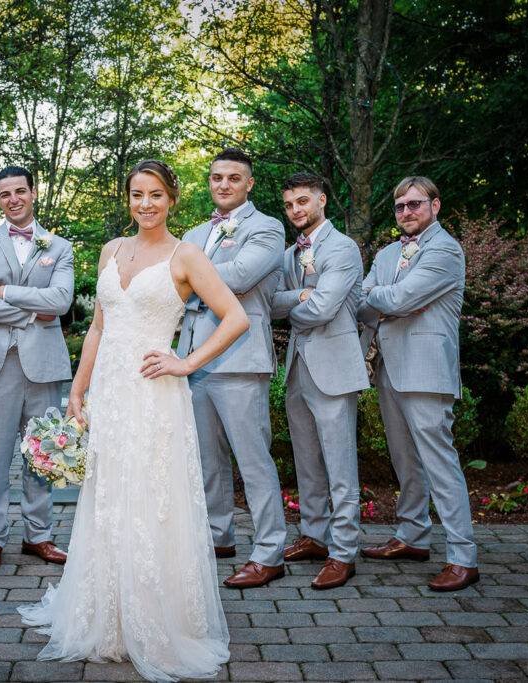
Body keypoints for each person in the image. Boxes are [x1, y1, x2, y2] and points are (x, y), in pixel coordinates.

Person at [19, 159, 245, 683]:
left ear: (172, 198)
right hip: (110, 393)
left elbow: (236, 316)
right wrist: (78, 388)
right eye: (136, 195)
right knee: (108, 494)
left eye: (156, 195)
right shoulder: (111, 250)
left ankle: (156, 618)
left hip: (154, 394)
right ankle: (106, 612)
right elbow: (99, 325)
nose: (145, 204)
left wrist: (186, 362)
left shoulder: (186, 254)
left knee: (152, 495)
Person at [357, 176, 479, 591]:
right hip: (388, 367)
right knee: (403, 457)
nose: (407, 212)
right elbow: (364, 300)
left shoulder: (445, 250)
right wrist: (391, 297)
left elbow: (396, 300)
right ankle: (412, 536)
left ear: (435, 206)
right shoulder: (389, 252)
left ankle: (464, 557)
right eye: (400, 207)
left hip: (426, 369)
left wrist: (388, 297)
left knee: (439, 463)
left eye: (415, 204)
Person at [176, 148, 287, 588]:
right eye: (217, 177)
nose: (224, 185)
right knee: (207, 460)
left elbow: (239, 276)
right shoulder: (193, 233)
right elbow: (175, 291)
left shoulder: (268, 227)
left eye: (234, 178)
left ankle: (269, 552)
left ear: (249, 183)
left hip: (241, 359)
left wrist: (188, 280)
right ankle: (218, 537)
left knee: (254, 461)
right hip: (192, 361)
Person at [0, 166, 74, 573]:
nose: (13, 199)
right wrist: (33, 312)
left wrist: (6, 291)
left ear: (32, 193)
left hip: (44, 367)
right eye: (5, 193)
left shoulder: (59, 246)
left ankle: (39, 536)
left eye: (20, 191)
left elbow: (61, 301)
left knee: (42, 454)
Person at [271, 173, 368, 589]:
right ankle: (314, 535)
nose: (297, 210)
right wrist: (299, 298)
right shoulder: (291, 253)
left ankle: (344, 552)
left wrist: (300, 304)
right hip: (297, 365)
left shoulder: (342, 248)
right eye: (290, 203)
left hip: (334, 365)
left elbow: (324, 308)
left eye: (304, 201)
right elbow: (272, 303)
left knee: (340, 463)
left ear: (322, 201)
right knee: (306, 460)